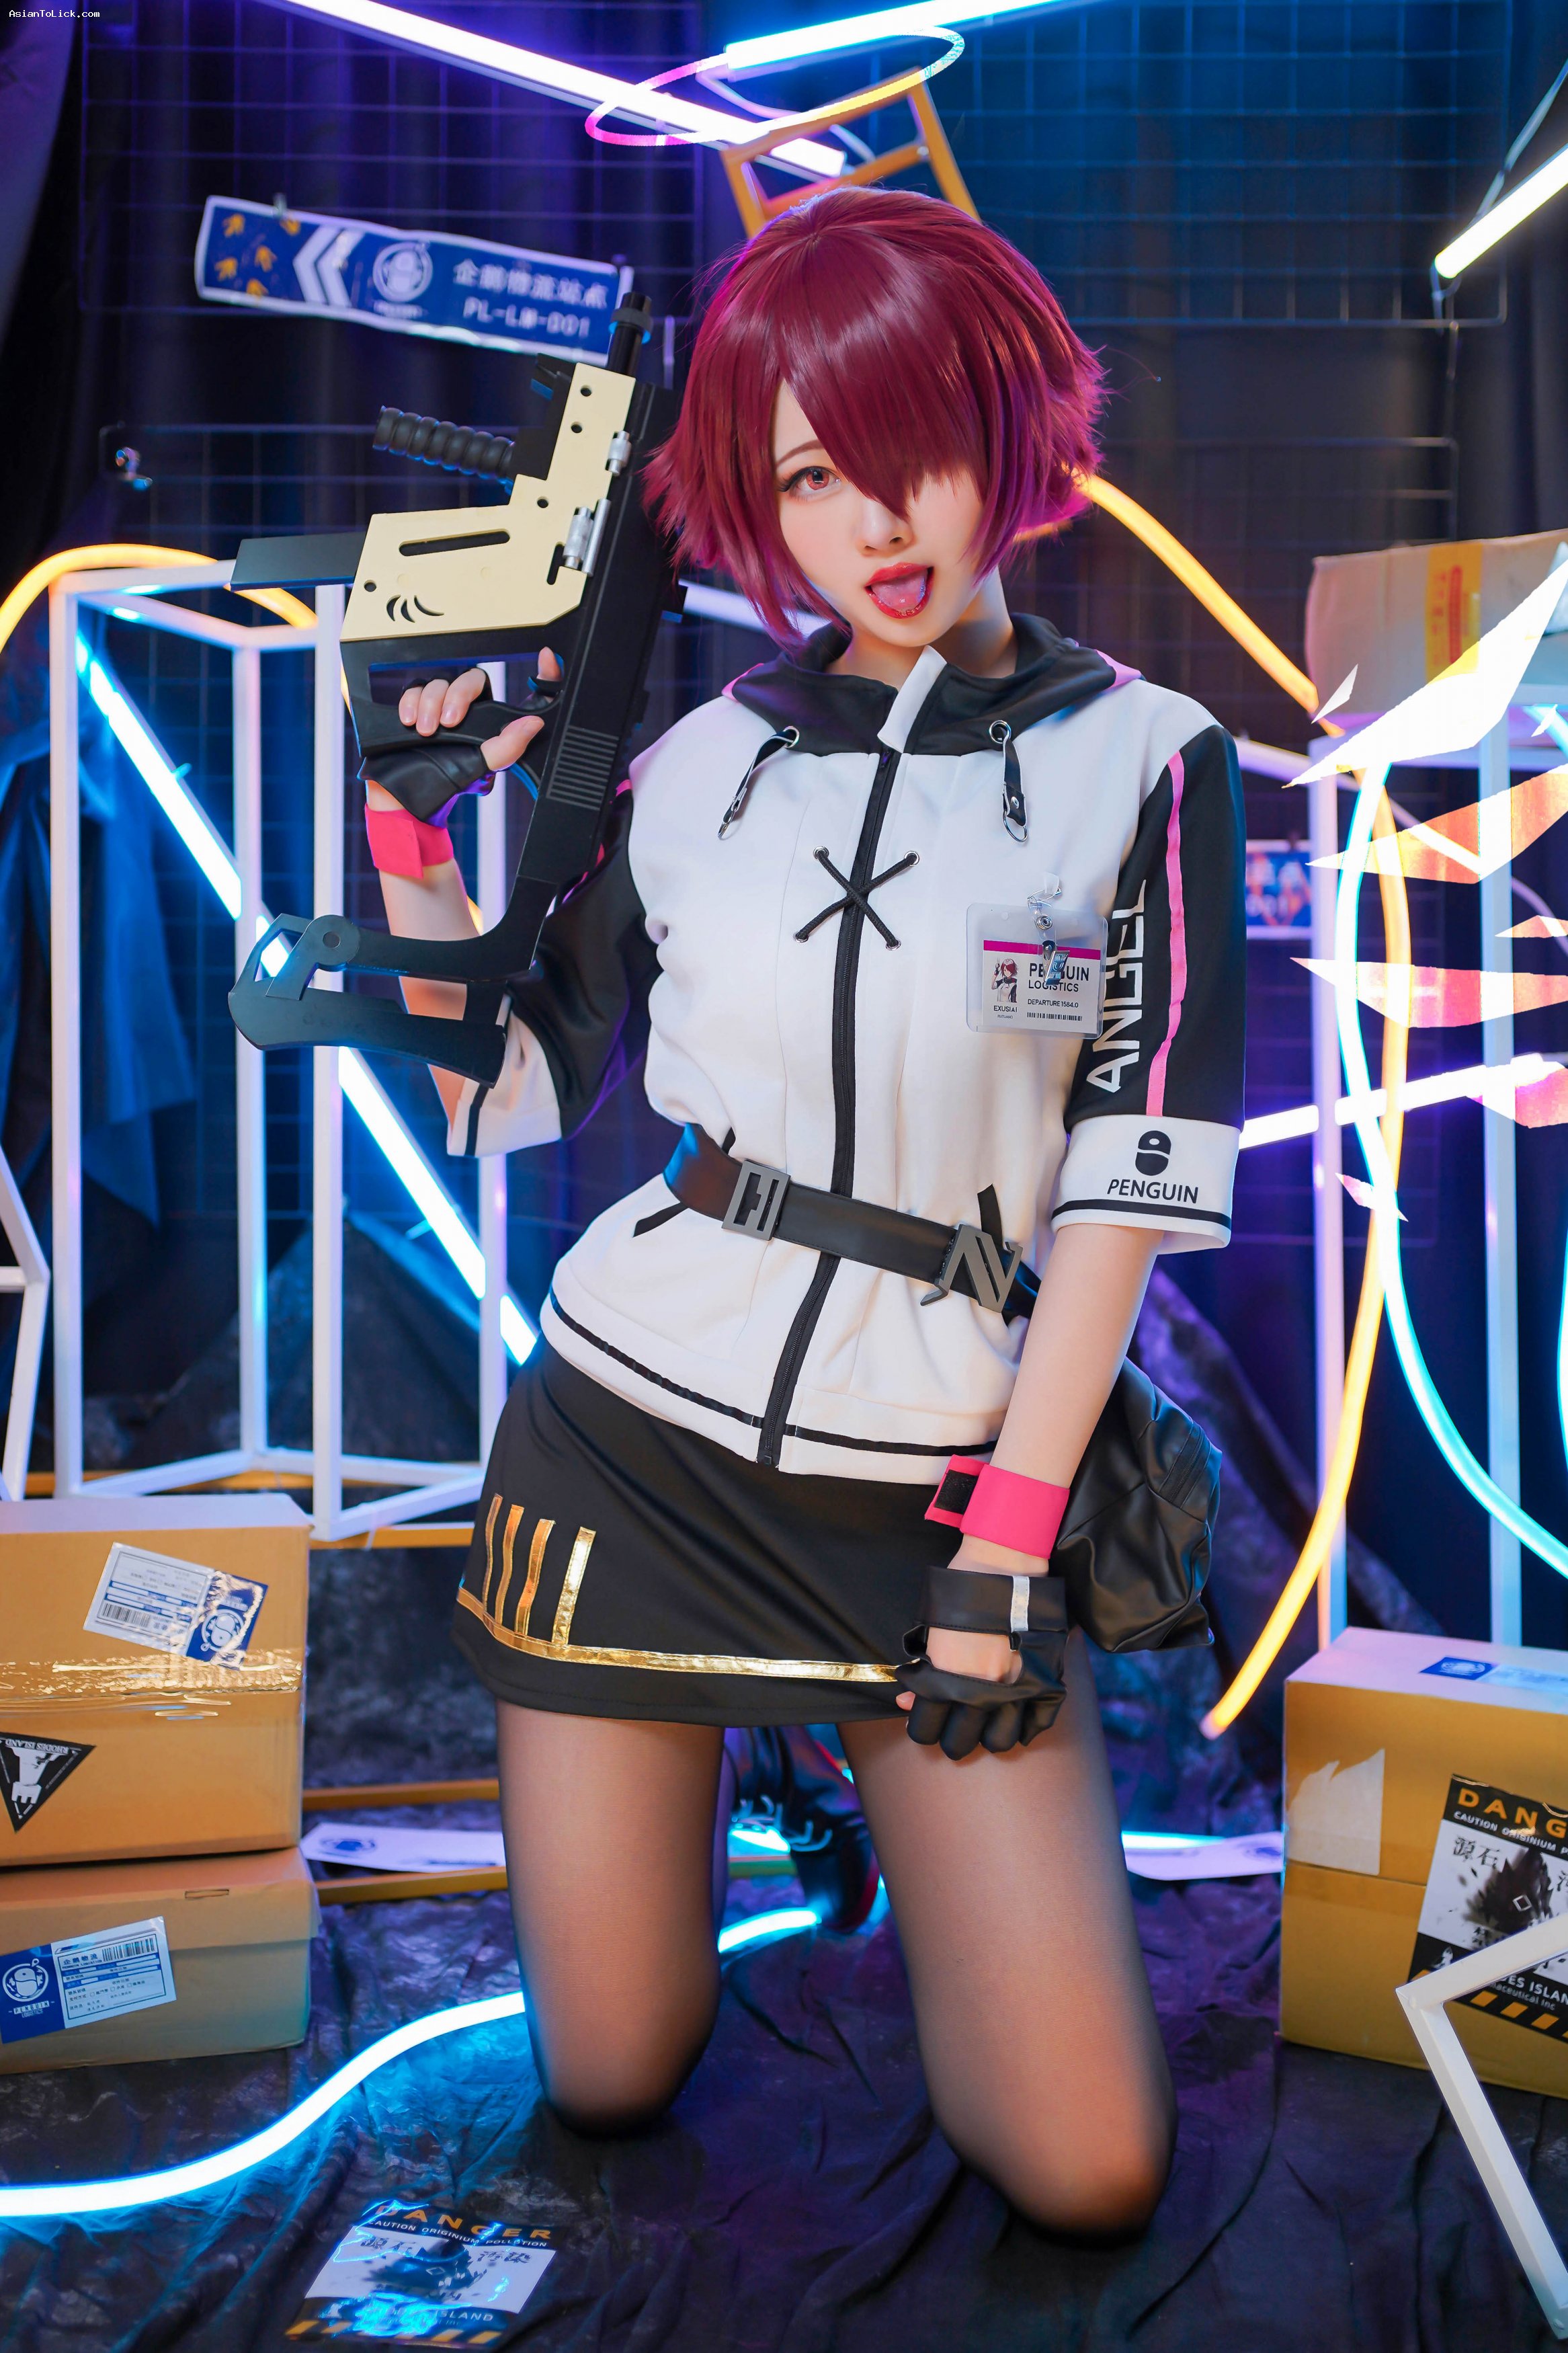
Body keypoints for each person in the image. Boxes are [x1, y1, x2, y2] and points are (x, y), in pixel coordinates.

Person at [362, 187, 1245, 2235]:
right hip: (627, 1444)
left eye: (915, 445)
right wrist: (412, 837)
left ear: (1012, 430)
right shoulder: (696, 762)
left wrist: (1006, 1542)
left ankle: (823, 1751)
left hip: (934, 1485)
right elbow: (498, 1096)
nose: (878, 521)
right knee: (608, 2072)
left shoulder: (1149, 761)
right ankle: (741, 1767)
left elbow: (1124, 1187)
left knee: (1091, 2170)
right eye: (811, 477)